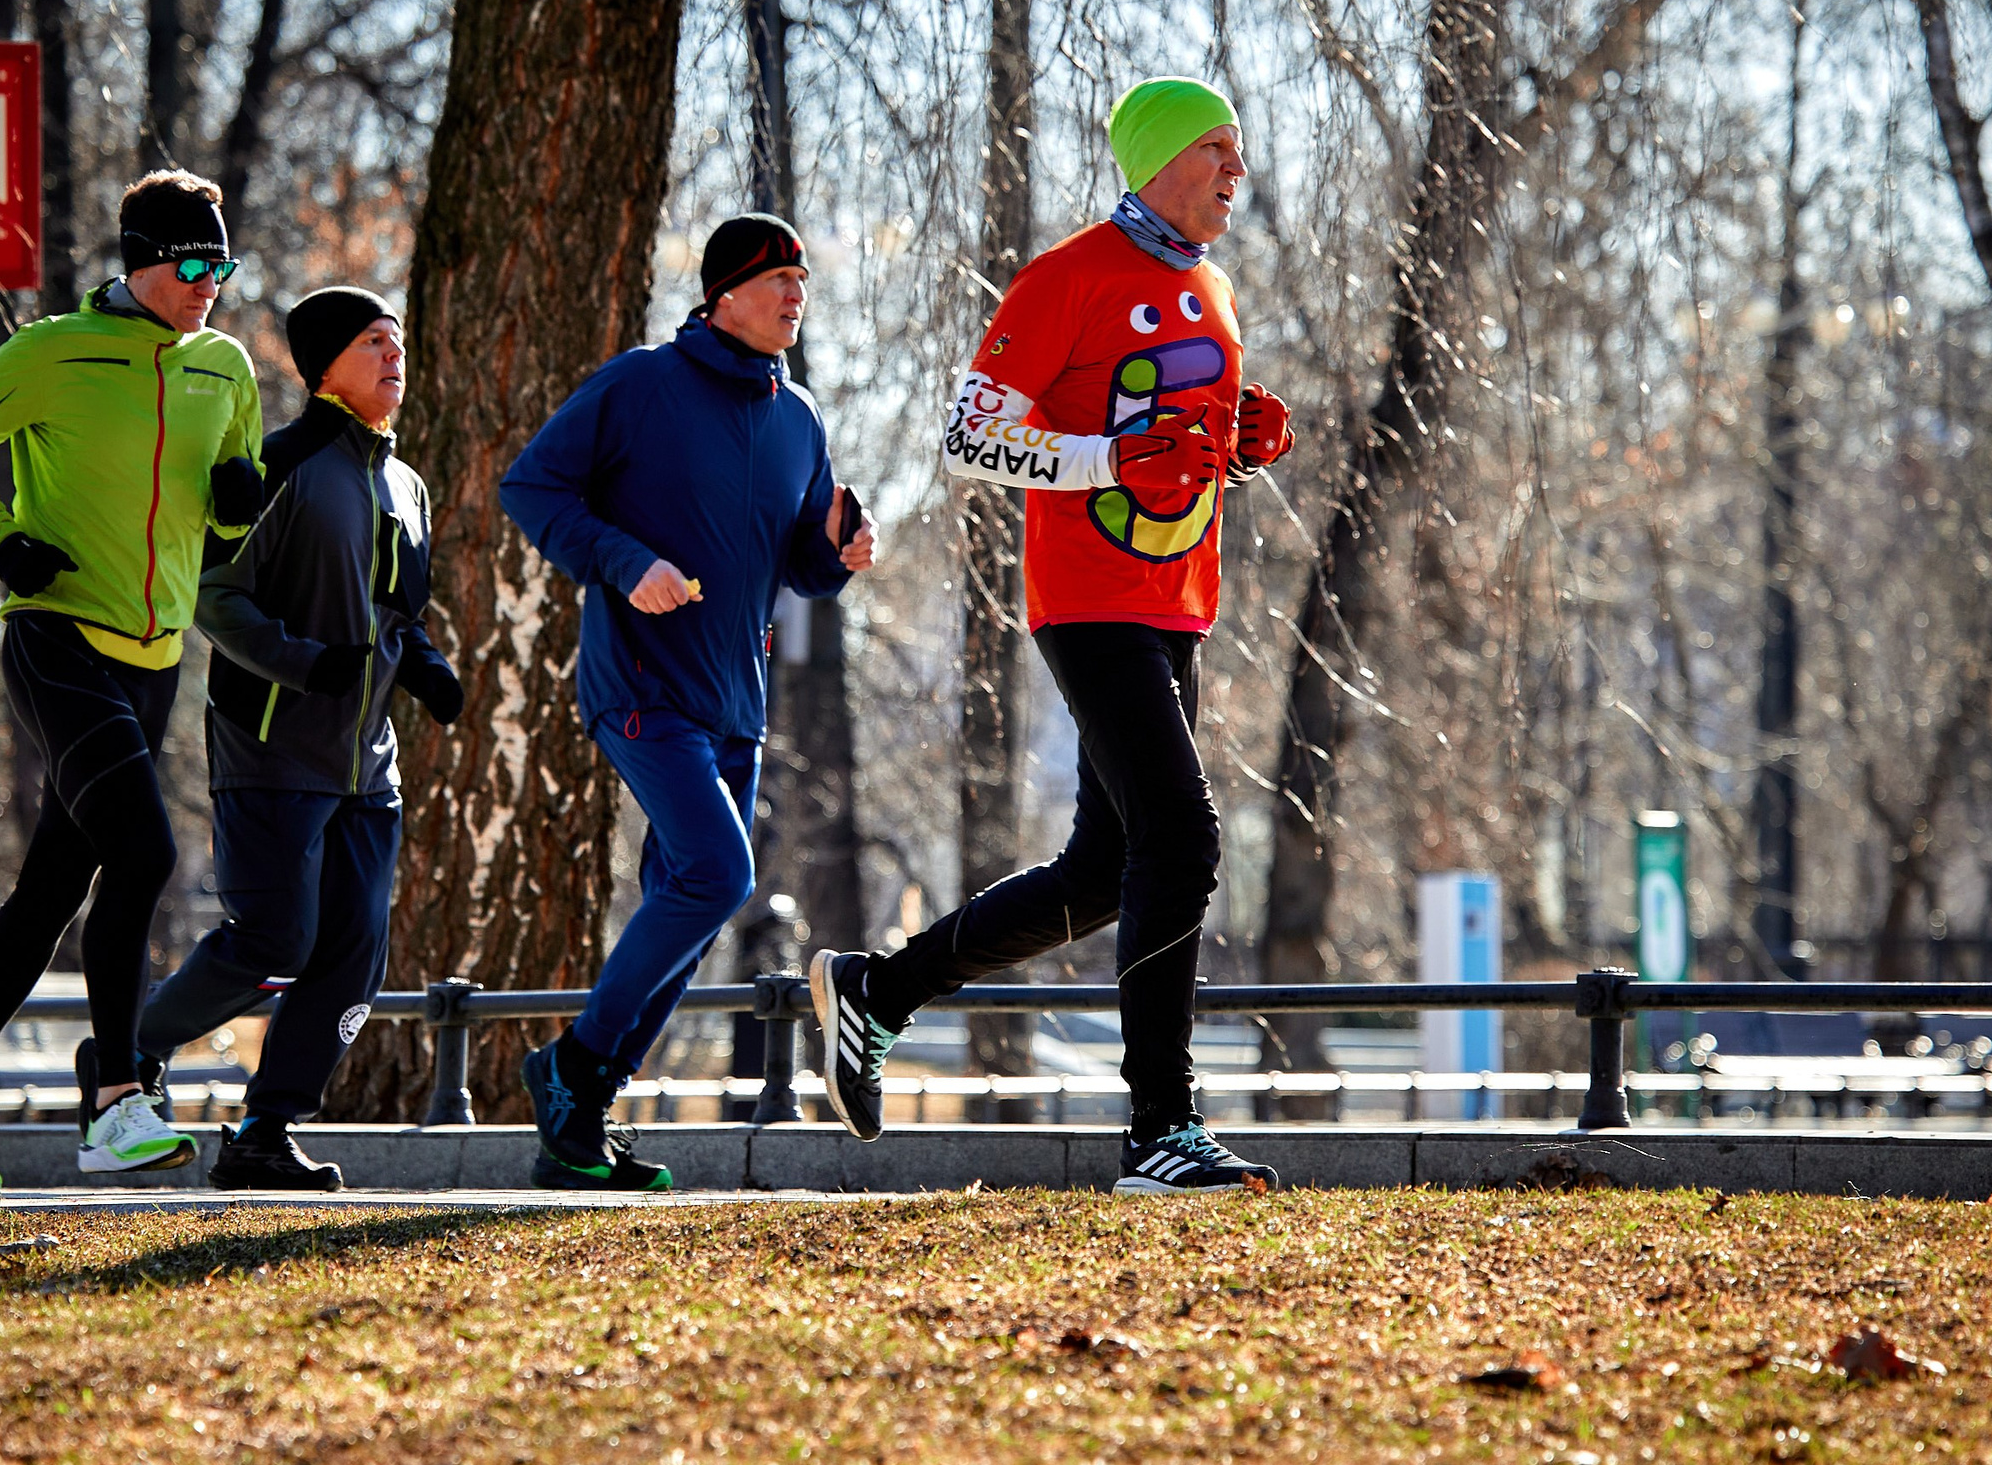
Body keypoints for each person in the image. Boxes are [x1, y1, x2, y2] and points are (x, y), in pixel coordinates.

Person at [809, 78, 1297, 1194]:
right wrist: (1109, 460)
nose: (1237, 169)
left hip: (1178, 601)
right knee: (1183, 839)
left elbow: (1171, 441)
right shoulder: (1067, 276)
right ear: (1158, 159)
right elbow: (970, 436)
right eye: (1217, 148)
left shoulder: (1212, 288)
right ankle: (1160, 1128)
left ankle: (878, 992)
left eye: (1238, 150)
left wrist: (1239, 443)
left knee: (1105, 871)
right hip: (1089, 599)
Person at [0, 168, 265, 1191]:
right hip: (56, 638)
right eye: (192, 265)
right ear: (140, 261)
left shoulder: (225, 368)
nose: (210, 284)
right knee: (145, 854)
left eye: (223, 266)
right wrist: (0, 539)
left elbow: (223, 525)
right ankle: (116, 1101)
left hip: (155, 659)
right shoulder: (53, 350)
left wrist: (240, 508)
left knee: (57, 884)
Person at [501, 213, 877, 1191]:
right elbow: (532, 487)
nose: (796, 294)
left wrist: (839, 553)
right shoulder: (640, 384)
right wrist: (626, 562)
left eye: (802, 278)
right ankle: (572, 1065)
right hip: (640, 683)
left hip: (734, 705)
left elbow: (800, 566)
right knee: (717, 873)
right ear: (723, 295)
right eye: (777, 278)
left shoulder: (799, 418)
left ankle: (577, 1123)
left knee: (697, 900)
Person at [135, 287, 462, 1191]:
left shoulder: (406, 484)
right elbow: (214, 593)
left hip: (367, 765)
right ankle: (130, 1050)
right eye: (372, 342)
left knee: (354, 957)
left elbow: (395, 614)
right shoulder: (277, 464)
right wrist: (303, 664)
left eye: (398, 342)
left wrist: (427, 667)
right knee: (277, 940)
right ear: (324, 365)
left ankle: (264, 1131)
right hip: (272, 747)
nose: (394, 356)